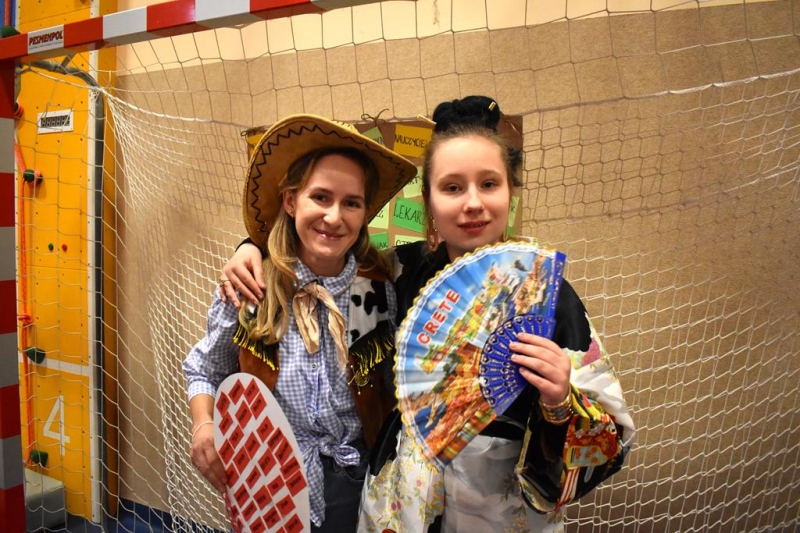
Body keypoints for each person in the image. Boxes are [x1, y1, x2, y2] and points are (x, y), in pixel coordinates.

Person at [219, 98, 635, 532]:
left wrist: (561, 400)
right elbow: (324, 253)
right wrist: (252, 248)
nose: (472, 203)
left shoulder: (548, 295)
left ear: (511, 192)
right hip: (405, 502)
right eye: (452, 188)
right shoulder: (401, 272)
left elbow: (611, 437)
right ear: (429, 202)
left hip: (501, 509)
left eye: (489, 184)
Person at [183, 114, 418, 532]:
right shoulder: (252, 286)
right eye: (320, 197)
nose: (334, 217)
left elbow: (394, 387)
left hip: (358, 483)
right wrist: (204, 424)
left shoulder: (380, 289)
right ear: (291, 201)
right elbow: (205, 369)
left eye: (352, 203)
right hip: (266, 481)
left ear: (365, 212)